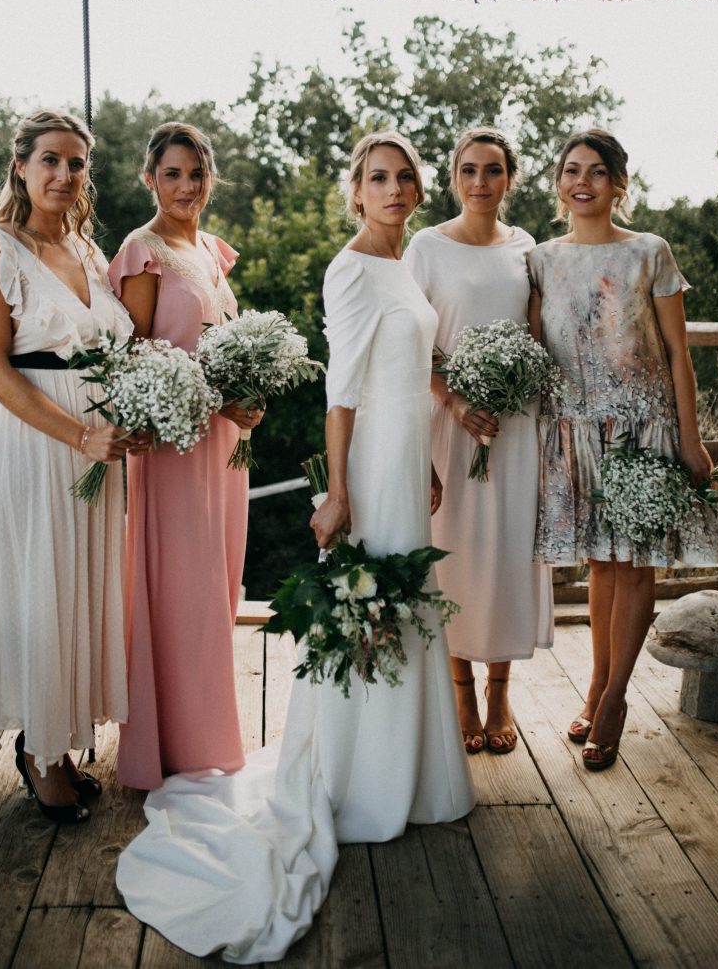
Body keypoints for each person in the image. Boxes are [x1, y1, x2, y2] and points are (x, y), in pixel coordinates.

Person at [115, 131, 473, 962]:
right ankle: (361, 776)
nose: (394, 187)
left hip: (403, 455)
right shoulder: (351, 267)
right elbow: (343, 392)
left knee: (406, 604)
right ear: (356, 192)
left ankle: (414, 770)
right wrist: (340, 491)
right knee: (370, 602)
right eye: (377, 178)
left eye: (404, 176)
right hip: (368, 464)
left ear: (418, 190)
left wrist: (423, 456)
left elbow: (409, 373)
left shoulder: (405, 265)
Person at [528, 129, 718, 771]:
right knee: (600, 563)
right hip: (574, 433)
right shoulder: (540, 259)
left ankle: (617, 700)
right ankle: (595, 687)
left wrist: (691, 437)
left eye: (598, 172)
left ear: (619, 184)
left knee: (634, 565)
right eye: (571, 170)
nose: (583, 182)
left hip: (642, 429)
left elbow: (679, 353)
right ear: (559, 183)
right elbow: (537, 347)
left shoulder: (650, 252)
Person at [0, 109, 141, 823]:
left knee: (80, 585)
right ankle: (40, 755)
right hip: (33, 441)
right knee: (39, 582)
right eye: (49, 160)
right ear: (21, 167)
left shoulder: (90, 251)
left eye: (77, 162)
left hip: (98, 444)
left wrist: (129, 411)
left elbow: (112, 348)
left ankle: (61, 730)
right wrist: (78, 435)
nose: (64, 174)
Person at [109, 121, 262, 790]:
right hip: (172, 447)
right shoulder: (141, 251)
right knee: (179, 590)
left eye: (195, 174)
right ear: (149, 177)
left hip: (224, 445)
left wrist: (248, 392)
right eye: (171, 173)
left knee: (216, 588)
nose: (184, 186)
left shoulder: (210, 249)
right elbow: (135, 354)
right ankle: (167, 745)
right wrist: (207, 398)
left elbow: (221, 341)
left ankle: (204, 732)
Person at [406, 126, 553, 756]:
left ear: (510, 179)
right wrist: (456, 402)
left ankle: (500, 692)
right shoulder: (426, 247)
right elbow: (410, 339)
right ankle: (460, 689)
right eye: (469, 170)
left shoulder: (528, 250)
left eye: (493, 171)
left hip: (515, 425)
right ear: (453, 177)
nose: (480, 182)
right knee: (456, 552)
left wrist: (522, 388)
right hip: (451, 421)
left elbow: (540, 334)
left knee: (508, 556)